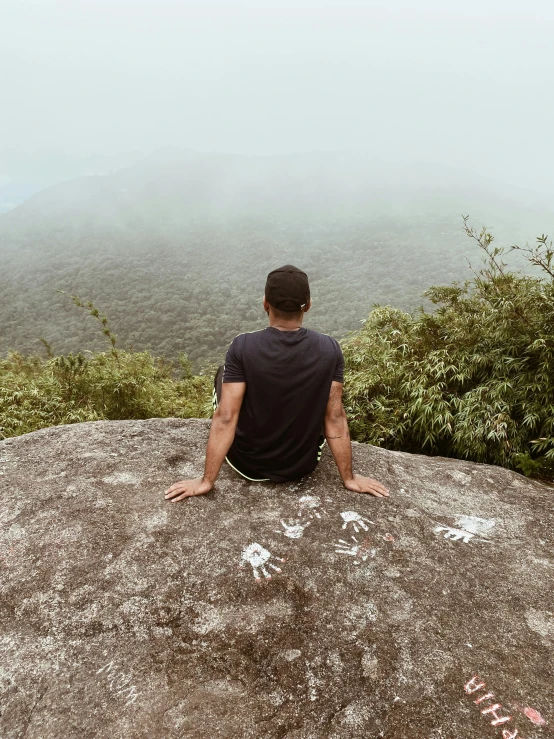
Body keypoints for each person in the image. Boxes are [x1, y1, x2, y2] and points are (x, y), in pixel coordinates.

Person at [165, 265, 389, 502]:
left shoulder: (242, 347)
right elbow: (334, 417)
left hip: (247, 465)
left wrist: (206, 481)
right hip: (301, 465)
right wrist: (349, 478)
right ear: (308, 305)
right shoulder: (330, 349)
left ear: (265, 303)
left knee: (223, 375)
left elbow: (226, 417)